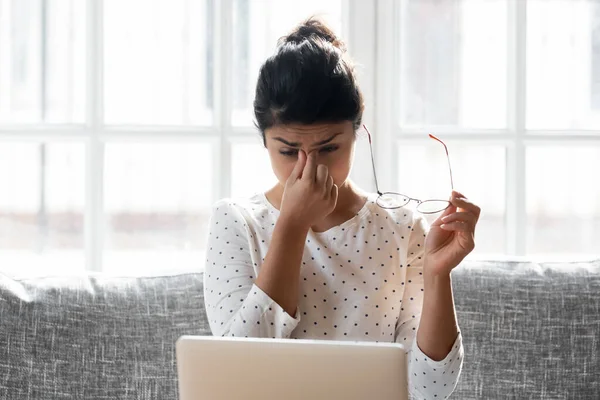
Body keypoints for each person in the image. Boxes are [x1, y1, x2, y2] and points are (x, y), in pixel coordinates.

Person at [203, 18, 480, 400]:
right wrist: (293, 223)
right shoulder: (236, 222)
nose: (309, 167)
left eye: (329, 148)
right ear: (264, 141)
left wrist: (437, 273)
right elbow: (236, 376)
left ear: (357, 132)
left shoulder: (402, 229)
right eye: (287, 151)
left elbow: (429, 390)